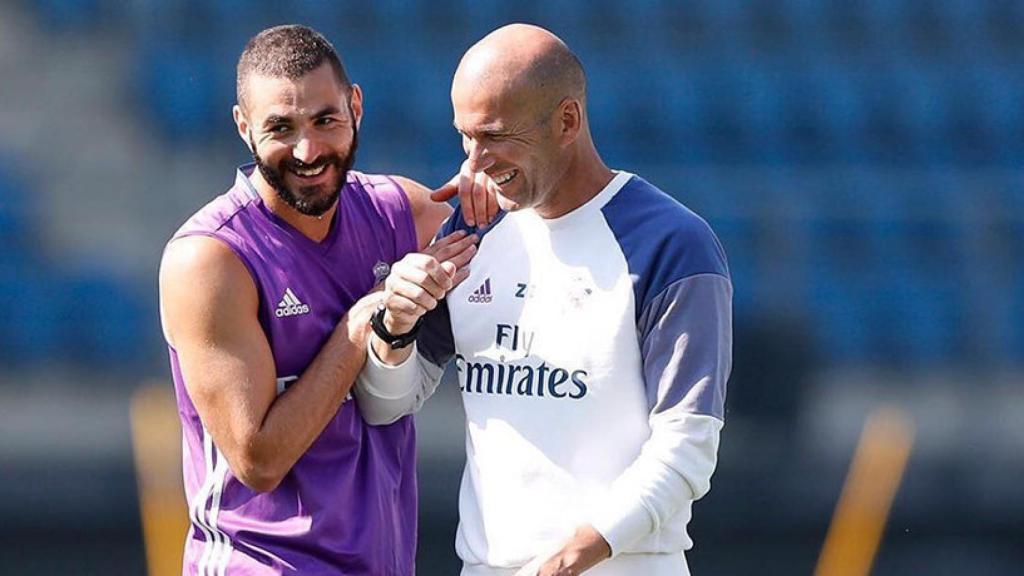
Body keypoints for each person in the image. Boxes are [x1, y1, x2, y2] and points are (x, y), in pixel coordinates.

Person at [356, 24, 733, 576]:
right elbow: (388, 404)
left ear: (567, 121)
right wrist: (394, 328)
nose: (473, 162)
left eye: (495, 136)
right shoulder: (473, 228)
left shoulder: (672, 243)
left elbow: (689, 445)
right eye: (466, 136)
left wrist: (572, 556)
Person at [158, 25, 477, 574]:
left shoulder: (399, 212)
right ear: (243, 127)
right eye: (281, 127)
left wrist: (497, 192)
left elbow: (498, 238)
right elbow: (258, 460)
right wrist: (362, 323)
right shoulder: (211, 260)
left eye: (325, 120)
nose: (308, 151)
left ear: (355, 106)